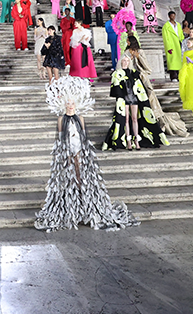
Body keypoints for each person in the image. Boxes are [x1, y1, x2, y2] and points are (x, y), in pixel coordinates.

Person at [34, 76, 134, 232]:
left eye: (72, 104)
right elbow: (60, 138)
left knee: (81, 177)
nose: (70, 106)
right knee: (69, 178)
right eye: (68, 104)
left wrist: (83, 155)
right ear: (64, 104)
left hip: (80, 151)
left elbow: (84, 137)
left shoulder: (80, 118)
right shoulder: (61, 119)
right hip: (67, 152)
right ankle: (70, 208)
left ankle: (85, 205)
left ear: (76, 104)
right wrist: (64, 155)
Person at [103, 55, 169, 151]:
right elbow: (115, 89)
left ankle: (136, 140)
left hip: (134, 98)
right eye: (124, 61)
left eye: (127, 61)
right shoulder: (117, 73)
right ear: (121, 62)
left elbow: (140, 86)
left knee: (135, 119)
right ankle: (128, 140)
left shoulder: (133, 73)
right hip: (124, 98)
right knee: (125, 119)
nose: (125, 62)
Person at [162, 11, 184, 80]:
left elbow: (181, 34)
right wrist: (168, 47)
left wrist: (183, 42)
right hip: (172, 44)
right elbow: (166, 38)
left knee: (179, 61)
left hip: (179, 44)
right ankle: (173, 76)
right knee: (172, 62)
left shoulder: (178, 24)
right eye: (172, 16)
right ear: (169, 16)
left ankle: (179, 76)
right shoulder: (166, 26)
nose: (173, 17)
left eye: (174, 16)